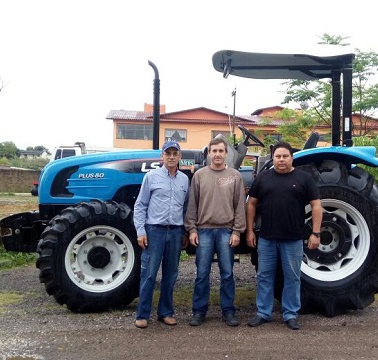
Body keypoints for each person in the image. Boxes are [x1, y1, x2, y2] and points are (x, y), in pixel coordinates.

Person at [245, 141, 322, 330]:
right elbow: (251, 204)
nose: (281, 160)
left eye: (285, 156)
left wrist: (316, 233)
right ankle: (263, 313)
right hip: (267, 238)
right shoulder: (263, 178)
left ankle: (290, 314)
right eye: (278, 156)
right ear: (273, 158)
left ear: (291, 158)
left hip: (293, 238)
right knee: (264, 276)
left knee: (292, 277)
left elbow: (316, 206)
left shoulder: (304, 179)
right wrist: (249, 230)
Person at [185, 136, 246, 327]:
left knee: (227, 273)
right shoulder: (199, 176)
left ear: (226, 154)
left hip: (226, 232)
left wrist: (237, 232)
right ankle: (199, 311)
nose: (218, 154)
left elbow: (239, 207)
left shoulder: (235, 176)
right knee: (202, 273)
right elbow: (192, 205)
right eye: (214, 151)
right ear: (209, 153)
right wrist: (192, 229)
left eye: (221, 151)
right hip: (203, 231)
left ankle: (228, 311)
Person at [132, 140, 189, 329]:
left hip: (175, 232)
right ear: (162, 156)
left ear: (180, 156)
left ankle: (165, 313)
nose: (172, 157)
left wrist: (185, 232)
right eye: (168, 153)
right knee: (149, 274)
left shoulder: (184, 180)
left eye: (175, 153)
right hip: (154, 231)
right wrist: (141, 231)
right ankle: (142, 314)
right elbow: (141, 205)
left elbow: (186, 207)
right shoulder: (151, 177)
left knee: (171, 275)